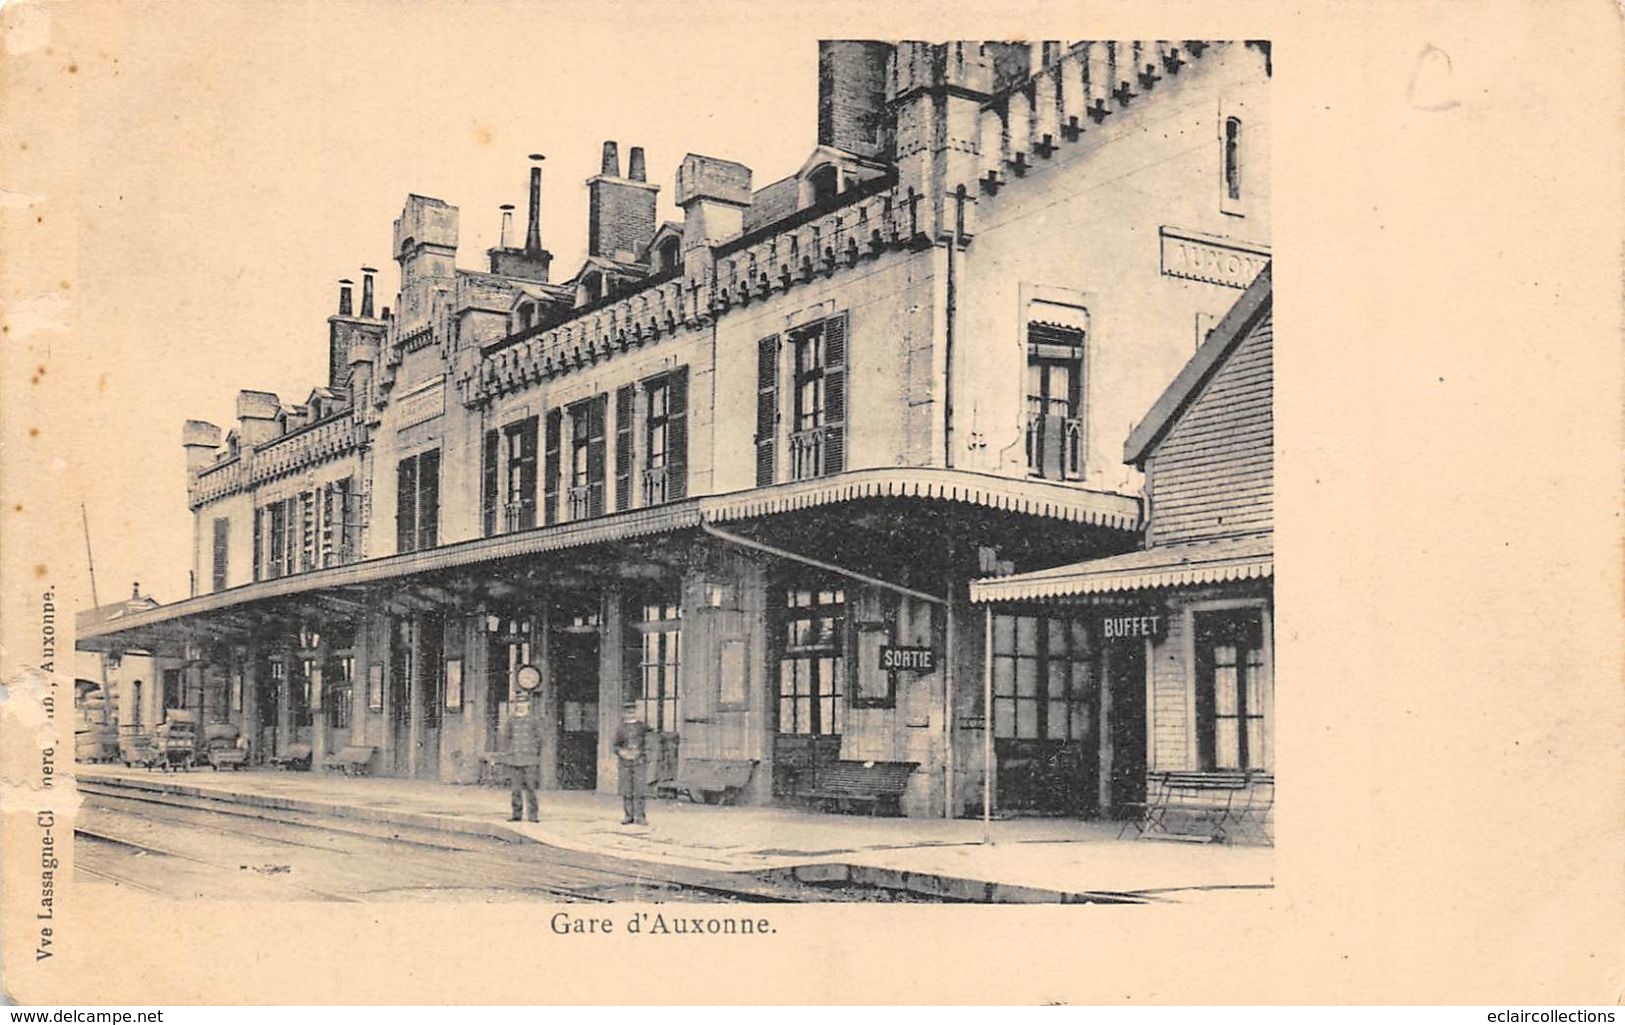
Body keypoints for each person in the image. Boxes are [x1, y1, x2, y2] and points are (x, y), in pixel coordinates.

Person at [500, 695, 545, 822]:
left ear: (528, 704)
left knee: (531, 788)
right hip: (514, 758)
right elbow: (506, 737)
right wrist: (508, 752)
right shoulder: (511, 720)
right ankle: (516, 814)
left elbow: (540, 737)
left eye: (523, 702)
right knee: (516, 789)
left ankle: (533, 815)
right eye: (518, 703)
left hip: (529, 758)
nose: (520, 705)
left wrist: (534, 751)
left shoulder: (534, 719)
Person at [612, 701, 650, 826]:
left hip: (639, 761)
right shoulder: (620, 728)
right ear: (624, 714)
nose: (630, 714)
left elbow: (650, 741)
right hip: (625, 763)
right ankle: (628, 815)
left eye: (633, 711)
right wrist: (622, 753)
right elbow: (615, 746)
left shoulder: (642, 727)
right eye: (628, 712)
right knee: (626, 789)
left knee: (639, 789)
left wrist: (642, 752)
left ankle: (640, 816)